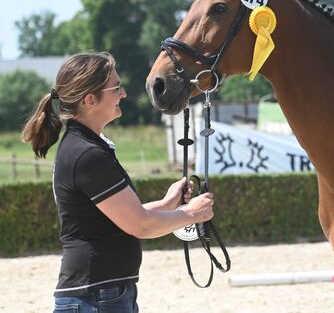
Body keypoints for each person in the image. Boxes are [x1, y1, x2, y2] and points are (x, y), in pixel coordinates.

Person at [21, 51, 214, 313]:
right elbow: (141, 225)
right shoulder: (87, 154)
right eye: (116, 88)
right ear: (90, 100)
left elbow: (125, 217)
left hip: (99, 294)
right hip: (97, 296)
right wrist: (191, 213)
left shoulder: (83, 147)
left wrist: (169, 204)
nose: (123, 94)